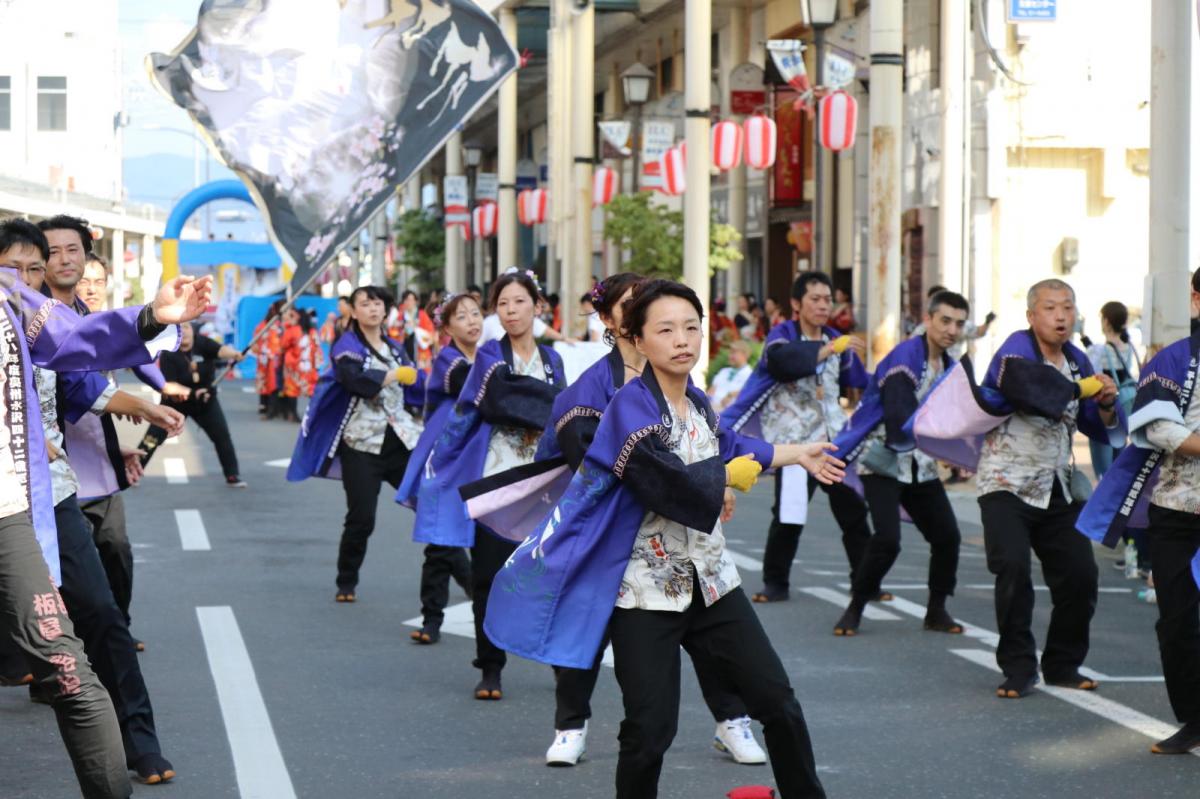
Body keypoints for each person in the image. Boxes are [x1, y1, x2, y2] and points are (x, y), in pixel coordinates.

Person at [484, 279, 838, 799]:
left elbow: (732, 444)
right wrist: (727, 477)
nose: (682, 340)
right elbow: (666, 481)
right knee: (650, 732)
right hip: (646, 592)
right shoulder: (629, 406)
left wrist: (796, 451)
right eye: (666, 330)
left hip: (714, 584)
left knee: (778, 703)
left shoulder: (697, 401)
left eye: (692, 328)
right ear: (638, 339)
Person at [0, 222, 211, 798]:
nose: (24, 278)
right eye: (17, 266)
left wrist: (152, 320)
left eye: (33, 268)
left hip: (28, 497)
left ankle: (137, 742)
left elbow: (80, 363)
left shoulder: (19, 305)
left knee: (90, 627)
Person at [913, 279, 1123, 699]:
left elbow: (1095, 427)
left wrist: (1105, 403)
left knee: (1081, 575)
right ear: (1032, 315)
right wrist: (1083, 389)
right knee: (1012, 569)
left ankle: (1063, 664)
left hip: (1056, 485)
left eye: (1068, 307)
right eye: (1050, 308)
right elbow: (1032, 391)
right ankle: (1019, 667)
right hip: (1005, 483)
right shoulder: (1015, 349)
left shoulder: (1078, 360)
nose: (1061, 316)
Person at [421, 268, 566, 700]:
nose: (510, 310)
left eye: (519, 301)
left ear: (538, 306)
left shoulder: (554, 360)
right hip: (497, 483)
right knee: (488, 577)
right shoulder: (488, 357)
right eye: (502, 304)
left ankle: (563, 665)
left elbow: (566, 412)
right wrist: (551, 404)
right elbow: (499, 402)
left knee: (551, 575)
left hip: (545, 484)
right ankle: (490, 667)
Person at [1077, 322, 1200, 754]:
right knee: (1177, 619)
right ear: (1198, 300)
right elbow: (1157, 428)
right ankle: (1194, 718)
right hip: (1179, 510)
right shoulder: (1173, 359)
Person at [723, 271, 874, 604]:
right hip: (794, 445)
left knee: (853, 513)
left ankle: (866, 583)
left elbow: (857, 382)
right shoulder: (782, 336)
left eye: (827, 299)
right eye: (815, 299)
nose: (823, 306)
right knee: (789, 514)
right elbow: (783, 364)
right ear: (796, 303)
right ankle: (776, 583)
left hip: (833, 443)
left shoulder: (838, 340)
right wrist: (829, 348)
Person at [829, 290, 971, 636]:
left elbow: (956, 414)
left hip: (919, 465)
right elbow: (897, 413)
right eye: (945, 321)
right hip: (883, 460)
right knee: (887, 539)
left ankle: (936, 610)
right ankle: (856, 606)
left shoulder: (951, 365)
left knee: (947, 536)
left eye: (959, 323)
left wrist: (958, 453)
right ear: (928, 320)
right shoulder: (907, 356)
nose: (952, 330)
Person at [288, 286, 424, 602]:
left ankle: (465, 577)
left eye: (378, 303)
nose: (373, 309)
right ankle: (346, 581)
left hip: (400, 440)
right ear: (354, 310)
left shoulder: (395, 346)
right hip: (361, 445)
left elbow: (415, 386)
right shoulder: (346, 345)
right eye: (365, 303)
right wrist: (392, 376)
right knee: (362, 517)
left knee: (431, 505)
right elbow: (353, 380)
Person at [395, 292, 481, 645]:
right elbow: (477, 389)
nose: (472, 321)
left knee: (479, 540)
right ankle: (432, 618)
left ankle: (480, 594)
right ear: (446, 328)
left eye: (476, 313)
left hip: (481, 461)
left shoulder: (490, 356)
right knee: (439, 541)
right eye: (461, 317)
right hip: (446, 461)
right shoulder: (449, 360)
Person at [139, 323, 248, 487]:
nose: (184, 331)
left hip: (205, 401)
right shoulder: (169, 352)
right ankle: (132, 471)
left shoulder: (203, 343)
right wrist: (191, 393)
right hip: (175, 403)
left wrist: (234, 354)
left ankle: (232, 474)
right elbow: (169, 386)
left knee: (222, 436)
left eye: (187, 327)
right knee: (152, 438)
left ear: (193, 330)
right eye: (180, 328)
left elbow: (220, 350)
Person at [1086, 301, 1139, 478]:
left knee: (1103, 463)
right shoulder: (1128, 347)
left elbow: (1092, 374)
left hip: (1105, 406)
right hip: (1125, 404)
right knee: (1119, 452)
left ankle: (1104, 498)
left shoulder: (1099, 350)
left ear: (1106, 321)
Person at [280, 308, 325, 421]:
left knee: (292, 390)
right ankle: (316, 414)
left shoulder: (292, 330)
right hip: (309, 366)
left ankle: (293, 414)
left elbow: (283, 345)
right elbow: (317, 348)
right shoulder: (313, 331)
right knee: (311, 390)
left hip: (294, 365)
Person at [253, 301, 285, 418]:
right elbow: (255, 343)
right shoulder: (263, 326)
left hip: (274, 359)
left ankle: (271, 406)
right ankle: (264, 404)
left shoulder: (279, 326)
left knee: (272, 382)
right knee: (264, 381)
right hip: (265, 358)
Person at [707, 339, 754, 412]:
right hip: (713, 408)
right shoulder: (724, 371)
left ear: (744, 355)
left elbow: (749, 392)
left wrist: (731, 395)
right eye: (730, 353)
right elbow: (711, 390)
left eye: (733, 353)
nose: (730, 356)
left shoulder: (750, 374)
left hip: (731, 412)